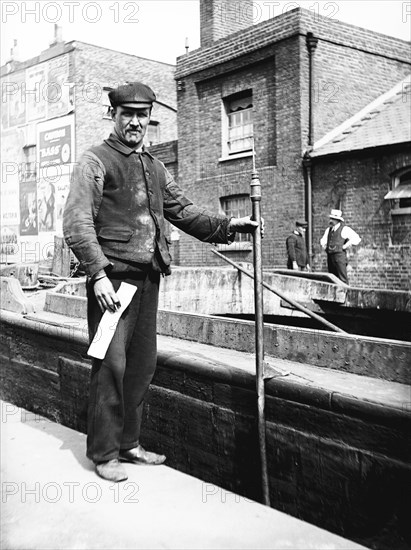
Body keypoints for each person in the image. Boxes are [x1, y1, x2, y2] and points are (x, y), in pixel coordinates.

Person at [63, 82, 262, 483]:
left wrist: (231, 226)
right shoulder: (94, 161)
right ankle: (104, 453)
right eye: (127, 115)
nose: (135, 122)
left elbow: (183, 211)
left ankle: (129, 445)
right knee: (110, 364)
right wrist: (97, 274)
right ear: (113, 116)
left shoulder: (154, 167)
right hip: (112, 284)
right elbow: (76, 221)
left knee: (140, 365)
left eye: (142, 116)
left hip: (148, 279)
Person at [320, 209, 361, 284]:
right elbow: (323, 241)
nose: (331, 220)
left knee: (342, 279)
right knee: (332, 278)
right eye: (331, 218)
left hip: (340, 258)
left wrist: (345, 246)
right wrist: (325, 247)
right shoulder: (328, 230)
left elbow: (356, 238)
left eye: (333, 219)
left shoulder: (344, 229)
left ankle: (344, 295)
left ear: (337, 220)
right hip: (330, 257)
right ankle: (335, 295)